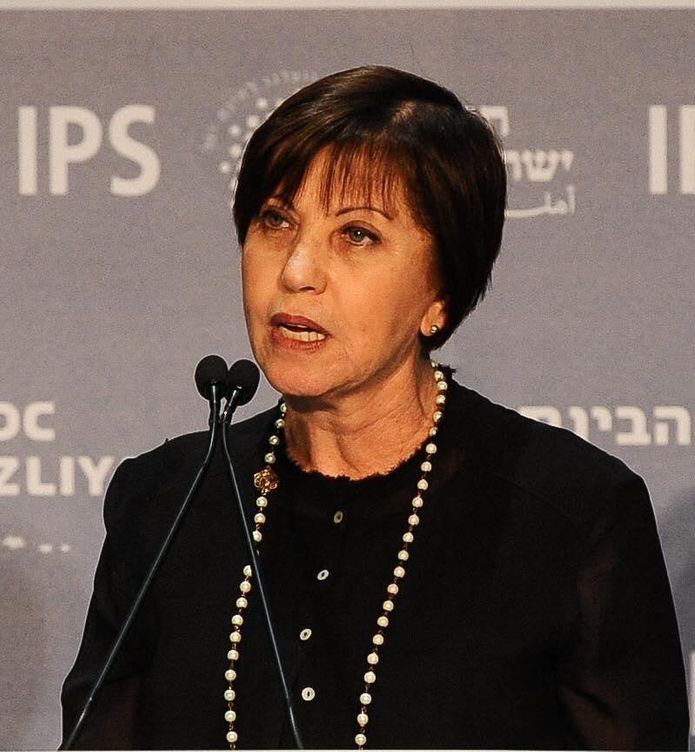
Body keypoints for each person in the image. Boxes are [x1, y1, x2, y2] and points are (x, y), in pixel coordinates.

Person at [61, 65, 689, 750]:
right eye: (276, 220)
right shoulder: (166, 503)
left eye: (357, 235)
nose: (296, 271)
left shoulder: (570, 516)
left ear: (441, 291)